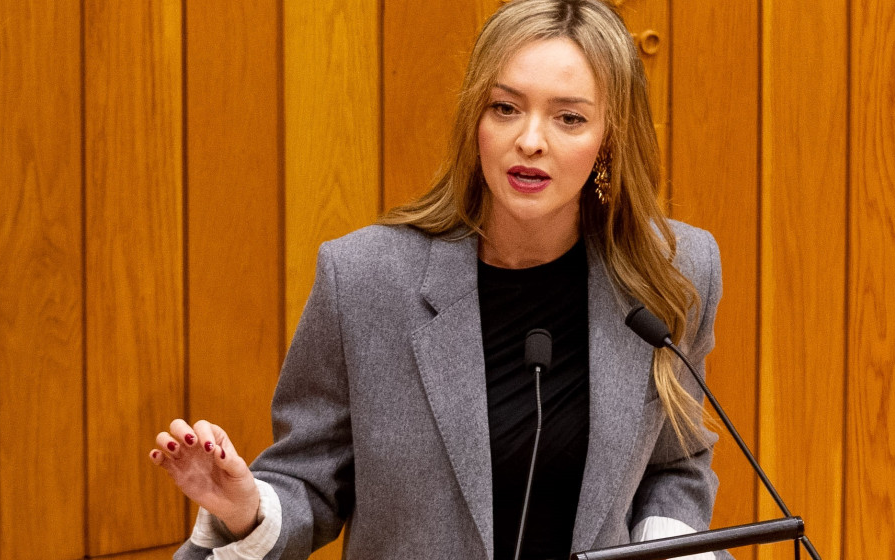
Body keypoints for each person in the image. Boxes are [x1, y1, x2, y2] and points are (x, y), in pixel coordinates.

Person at [151, 1, 729, 558]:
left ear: (609, 139)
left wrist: (672, 547)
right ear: (475, 118)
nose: (530, 140)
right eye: (505, 108)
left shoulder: (672, 272)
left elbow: (674, 462)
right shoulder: (367, 280)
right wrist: (247, 507)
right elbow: (310, 482)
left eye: (569, 117)